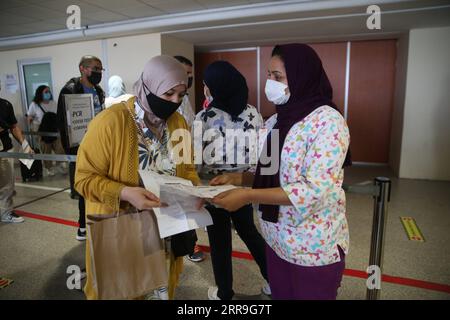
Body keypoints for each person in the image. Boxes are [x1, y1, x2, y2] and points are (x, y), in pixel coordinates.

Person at [210, 44, 351, 300]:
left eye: (278, 77)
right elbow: (268, 171)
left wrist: (246, 195)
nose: (270, 82)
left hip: (312, 247)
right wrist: (237, 178)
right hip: (276, 241)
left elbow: (312, 190)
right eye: (269, 75)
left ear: (301, 77)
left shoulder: (328, 122)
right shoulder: (275, 121)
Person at [75, 55, 202, 300]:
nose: (175, 102)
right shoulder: (110, 123)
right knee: (123, 290)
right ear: (148, 87)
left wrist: (195, 193)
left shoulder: (178, 124)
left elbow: (188, 170)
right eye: (168, 94)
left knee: (161, 290)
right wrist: (124, 192)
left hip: (166, 232)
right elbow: (84, 178)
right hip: (123, 232)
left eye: (181, 94)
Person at [195, 61, 270, 300]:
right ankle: (273, 280)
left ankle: (224, 292)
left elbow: (195, 161)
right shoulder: (253, 113)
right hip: (243, 186)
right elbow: (261, 152)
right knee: (249, 232)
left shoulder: (204, 116)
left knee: (219, 240)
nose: (205, 88)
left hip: (214, 187)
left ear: (214, 87)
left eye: (206, 85)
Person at [57, 55, 105, 241]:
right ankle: (82, 225)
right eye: (95, 68)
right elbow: (63, 123)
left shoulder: (99, 91)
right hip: (79, 147)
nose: (98, 73)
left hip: (99, 145)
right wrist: (70, 152)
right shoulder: (70, 90)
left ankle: (98, 220)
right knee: (85, 185)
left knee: (99, 184)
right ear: (82, 69)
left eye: (101, 69)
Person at [173, 55, 206, 263]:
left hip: (183, 155)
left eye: (190, 75)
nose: (189, 78)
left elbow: (190, 125)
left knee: (186, 201)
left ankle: (190, 241)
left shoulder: (184, 99)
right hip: (167, 160)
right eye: (185, 74)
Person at [0, 83, 31, 223]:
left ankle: (6, 212)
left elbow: (13, 126)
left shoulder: (5, 105)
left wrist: (24, 144)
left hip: (5, 150)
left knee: (7, 184)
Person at [28, 85, 65, 177]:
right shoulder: (34, 104)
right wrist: (32, 129)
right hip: (42, 131)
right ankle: (49, 168)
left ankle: (60, 164)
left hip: (53, 130)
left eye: (49, 92)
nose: (48, 93)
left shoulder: (54, 103)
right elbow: (29, 117)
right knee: (46, 150)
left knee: (59, 148)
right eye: (46, 92)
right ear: (40, 93)